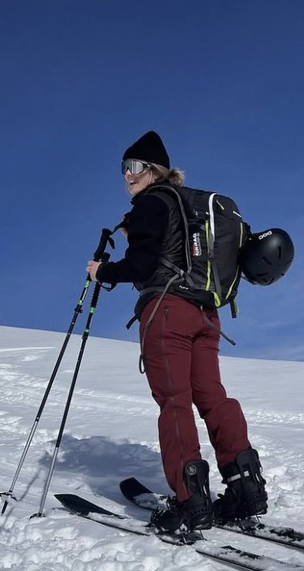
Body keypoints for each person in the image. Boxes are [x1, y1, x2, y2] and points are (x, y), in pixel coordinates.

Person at [86, 130, 267, 533]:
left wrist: (103, 272)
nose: (127, 174)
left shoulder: (152, 203)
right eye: (124, 167)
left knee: (174, 402)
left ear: (154, 170)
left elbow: (142, 266)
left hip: (168, 313)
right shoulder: (186, 205)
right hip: (206, 315)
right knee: (213, 397)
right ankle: (246, 488)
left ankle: (190, 502)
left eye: (135, 166)